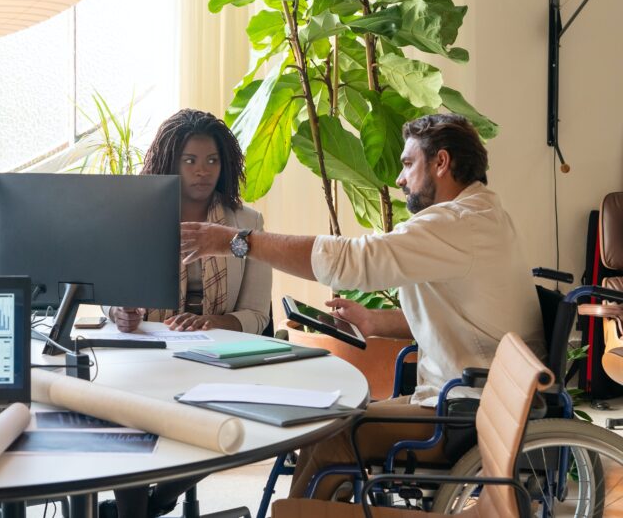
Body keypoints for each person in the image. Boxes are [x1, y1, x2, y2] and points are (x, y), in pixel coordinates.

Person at [179, 113, 545, 501]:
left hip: (469, 411)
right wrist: (373, 321)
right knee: (324, 424)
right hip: (465, 394)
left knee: (332, 434)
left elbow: (353, 260)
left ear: (441, 163)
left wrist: (240, 242)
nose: (400, 179)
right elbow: (464, 318)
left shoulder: (456, 223)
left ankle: (299, 511)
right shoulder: (481, 215)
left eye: (408, 164)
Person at [103, 109, 271, 518]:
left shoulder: (246, 223)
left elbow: (257, 313)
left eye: (212, 160)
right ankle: (136, 510)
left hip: (217, 356)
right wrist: (122, 311)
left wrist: (217, 323)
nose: (202, 171)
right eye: (190, 160)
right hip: (148, 353)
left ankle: (159, 499)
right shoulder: (138, 218)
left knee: (229, 426)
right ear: (170, 163)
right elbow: (113, 297)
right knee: (126, 418)